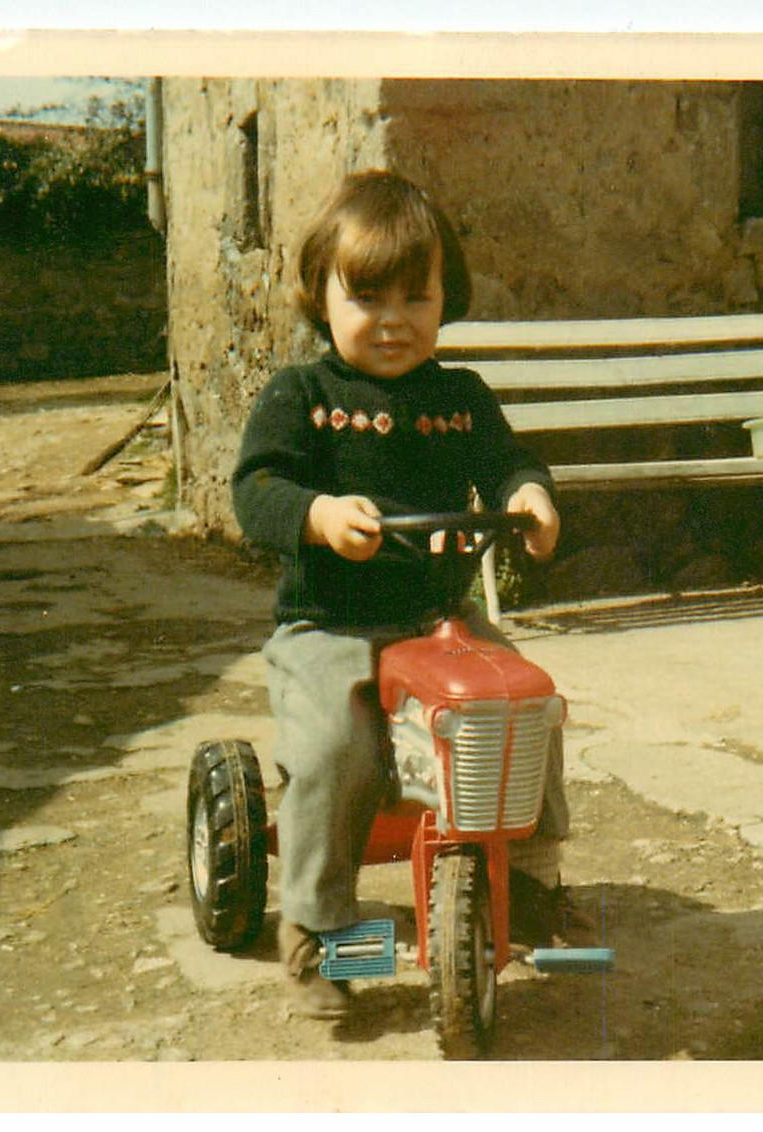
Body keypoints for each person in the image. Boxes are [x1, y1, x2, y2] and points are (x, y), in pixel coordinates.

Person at [232, 169, 571, 1019]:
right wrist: (313, 512)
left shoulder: (460, 398)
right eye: (367, 296)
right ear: (322, 296)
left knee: (524, 699)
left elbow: (507, 464)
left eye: (414, 297)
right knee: (330, 754)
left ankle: (529, 874)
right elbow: (256, 488)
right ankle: (323, 932)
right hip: (331, 625)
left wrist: (530, 495)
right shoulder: (302, 397)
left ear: (445, 299)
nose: (391, 319)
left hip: (437, 619)